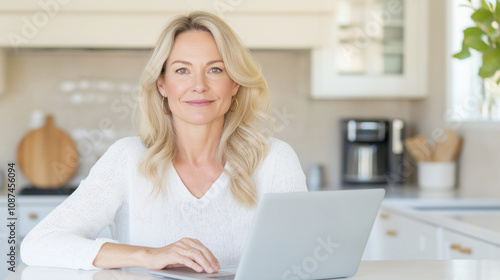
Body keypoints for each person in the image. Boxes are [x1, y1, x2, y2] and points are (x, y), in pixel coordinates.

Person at [20, 11, 307, 273]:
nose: (199, 85)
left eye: (215, 69)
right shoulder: (127, 158)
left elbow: (304, 258)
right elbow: (38, 244)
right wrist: (148, 256)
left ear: (234, 83)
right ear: (162, 84)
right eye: (182, 70)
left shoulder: (274, 159)